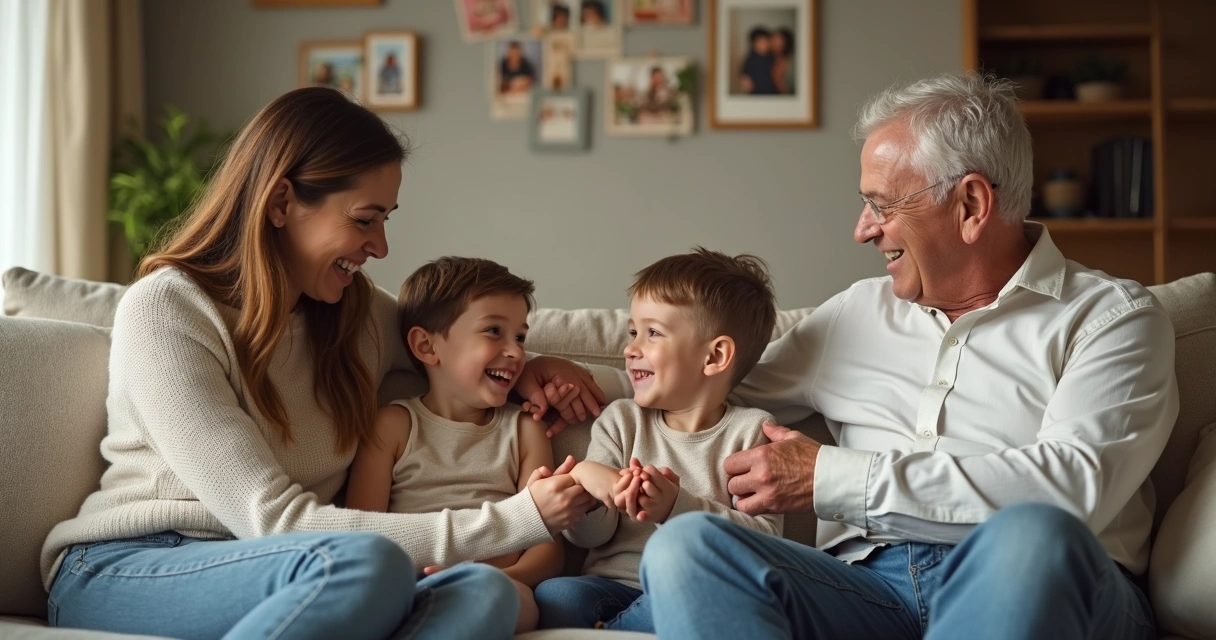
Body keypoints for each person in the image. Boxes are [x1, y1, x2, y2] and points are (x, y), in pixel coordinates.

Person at [40, 87, 598, 640]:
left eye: (386, 220)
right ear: (282, 203)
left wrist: (527, 366)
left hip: (301, 573)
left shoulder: (355, 316)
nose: (380, 246)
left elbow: (451, 349)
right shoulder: (168, 311)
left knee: (484, 592)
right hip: (134, 563)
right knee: (366, 563)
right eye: (364, 220)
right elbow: (273, 523)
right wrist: (521, 517)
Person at [634, 73, 1178, 639]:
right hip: (868, 591)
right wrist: (557, 376)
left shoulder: (1112, 319)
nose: (863, 230)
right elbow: (702, 386)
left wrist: (833, 479)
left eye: (881, 204)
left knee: (1033, 537)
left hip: (1044, 582)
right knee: (688, 547)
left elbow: (1070, 491)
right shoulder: (855, 314)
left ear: (971, 204)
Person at [533, 248, 784, 632]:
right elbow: (589, 537)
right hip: (611, 586)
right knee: (557, 596)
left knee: (697, 603)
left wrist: (676, 507)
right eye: (633, 332)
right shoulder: (620, 421)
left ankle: (617, 630)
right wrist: (588, 482)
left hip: (692, 590)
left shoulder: (751, 431)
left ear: (715, 356)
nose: (630, 349)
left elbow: (767, 541)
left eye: (652, 333)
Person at [345, 257, 568, 634]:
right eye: (494, 331)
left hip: (499, 582)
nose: (515, 352)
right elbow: (361, 534)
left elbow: (547, 547)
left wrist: (494, 576)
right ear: (426, 346)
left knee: (517, 602)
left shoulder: (525, 429)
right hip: (408, 581)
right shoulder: (393, 426)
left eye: (520, 337)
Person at [739, 27, 777, 95]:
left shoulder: (772, 56)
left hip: (771, 90)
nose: (764, 45)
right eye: (760, 42)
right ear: (753, 43)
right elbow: (744, 72)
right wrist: (745, 80)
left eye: (766, 41)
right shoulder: (751, 57)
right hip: (756, 91)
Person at [771, 27, 795, 95]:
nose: (774, 42)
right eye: (773, 38)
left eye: (778, 40)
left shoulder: (788, 61)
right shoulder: (767, 59)